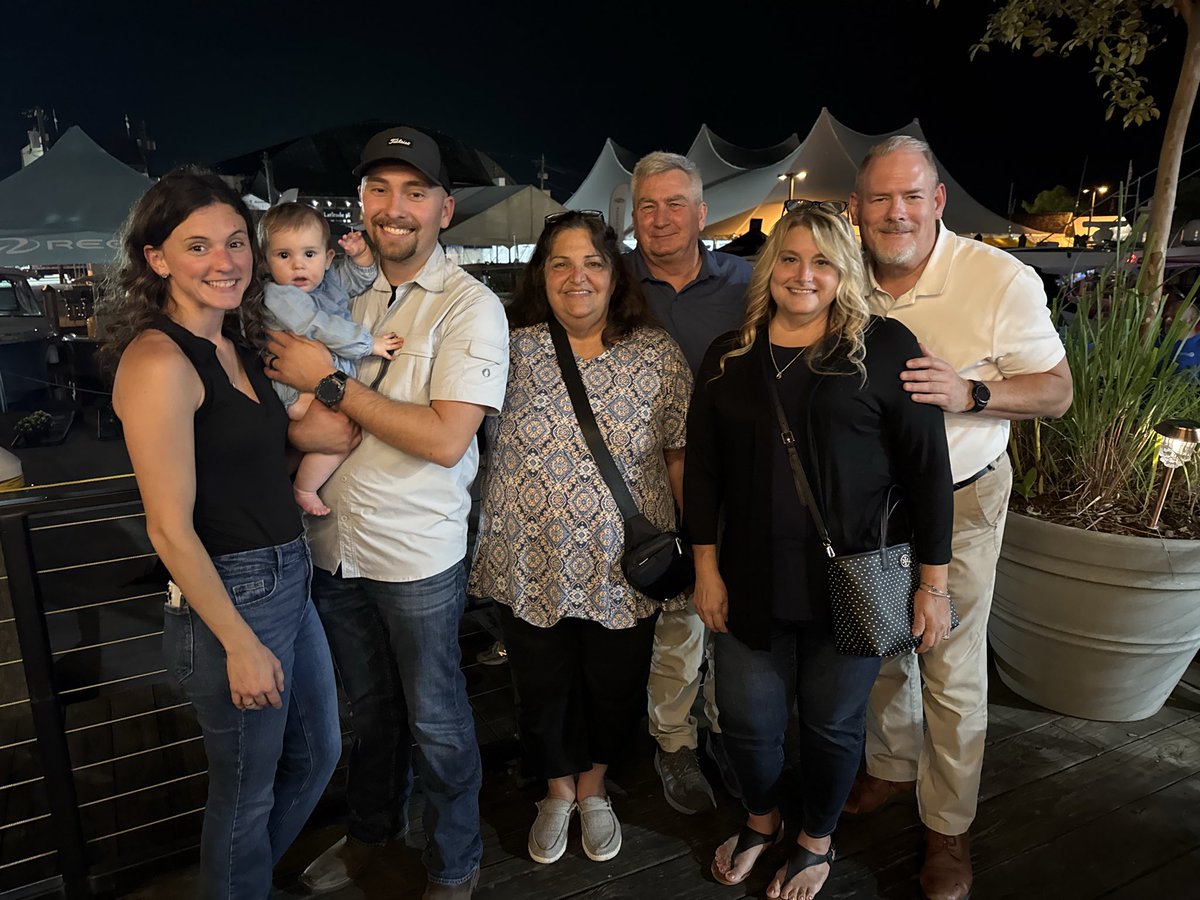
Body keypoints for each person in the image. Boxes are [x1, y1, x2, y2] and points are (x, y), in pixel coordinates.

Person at [263, 126, 509, 899]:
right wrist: (324, 408)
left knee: (436, 718)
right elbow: (291, 424)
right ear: (361, 204)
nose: (393, 208)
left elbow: (443, 439)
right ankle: (371, 834)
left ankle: (455, 862)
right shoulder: (333, 290)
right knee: (367, 712)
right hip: (332, 542)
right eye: (379, 190)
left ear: (445, 207)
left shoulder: (471, 307)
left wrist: (332, 388)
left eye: (412, 192)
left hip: (416, 553)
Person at [686, 204, 953, 900]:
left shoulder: (886, 347)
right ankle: (763, 818)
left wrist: (932, 586)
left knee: (833, 727)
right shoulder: (729, 355)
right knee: (746, 720)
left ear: (845, 272)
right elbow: (705, 473)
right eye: (791, 259)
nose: (804, 275)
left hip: (854, 582)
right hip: (749, 580)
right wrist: (706, 570)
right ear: (769, 267)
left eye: (824, 261)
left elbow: (928, 475)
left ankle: (815, 840)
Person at [105, 167, 341, 899]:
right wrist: (240, 644)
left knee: (318, 753)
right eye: (198, 245)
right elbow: (169, 529)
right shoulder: (158, 361)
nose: (225, 261)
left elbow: (271, 452)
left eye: (237, 242)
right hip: (231, 598)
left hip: (286, 576)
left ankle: (243, 886)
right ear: (156, 258)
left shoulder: (237, 341)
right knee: (245, 797)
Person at [846, 136, 1072, 900]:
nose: (895, 212)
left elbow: (1056, 390)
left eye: (911, 196)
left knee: (947, 661)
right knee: (879, 643)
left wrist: (971, 394)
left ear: (938, 201)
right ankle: (889, 765)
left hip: (962, 495)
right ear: (857, 207)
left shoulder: (996, 277)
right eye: (879, 198)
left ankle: (947, 825)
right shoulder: (842, 269)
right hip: (869, 505)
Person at [469, 210, 692, 865]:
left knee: (613, 687)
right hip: (528, 562)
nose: (577, 277)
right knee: (542, 688)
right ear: (541, 273)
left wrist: (697, 554)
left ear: (615, 274)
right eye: (561, 263)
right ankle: (555, 790)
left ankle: (595, 789)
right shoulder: (509, 348)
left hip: (624, 566)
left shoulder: (655, 353)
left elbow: (679, 455)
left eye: (592, 263)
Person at [627, 151, 751, 815]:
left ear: (703, 214)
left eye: (676, 204)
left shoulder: (749, 283)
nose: (661, 218)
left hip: (739, 478)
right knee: (679, 614)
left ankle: (729, 728)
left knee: (732, 610)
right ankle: (674, 741)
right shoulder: (614, 283)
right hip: (643, 485)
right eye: (647, 205)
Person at [258, 202, 402, 515]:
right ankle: (304, 488)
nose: (298, 265)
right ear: (267, 262)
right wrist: (369, 344)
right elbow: (317, 326)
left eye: (309, 255)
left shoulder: (325, 283)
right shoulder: (281, 295)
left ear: (327, 258)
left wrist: (361, 256)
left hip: (319, 380)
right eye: (284, 256)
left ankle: (304, 486)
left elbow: (357, 280)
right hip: (297, 390)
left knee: (346, 431)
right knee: (344, 429)